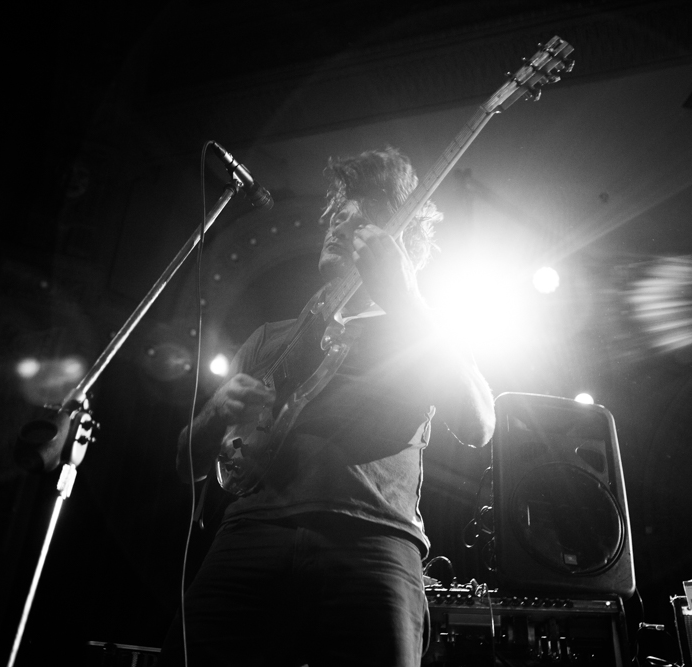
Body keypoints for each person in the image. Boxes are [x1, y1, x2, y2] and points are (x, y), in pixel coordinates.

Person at [159, 147, 495, 667]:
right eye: (336, 216)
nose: (338, 226)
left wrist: (405, 298)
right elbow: (186, 463)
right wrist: (217, 411)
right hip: (252, 533)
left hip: (373, 542)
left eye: (359, 219)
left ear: (395, 243)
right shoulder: (270, 338)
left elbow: (479, 424)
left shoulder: (425, 330)